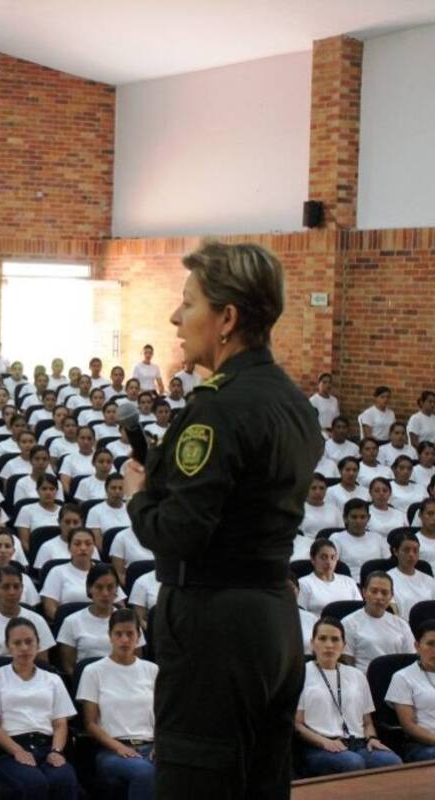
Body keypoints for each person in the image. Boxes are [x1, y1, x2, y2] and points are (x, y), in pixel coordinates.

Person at [122, 242, 323, 798]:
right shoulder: (292, 400)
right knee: (260, 782)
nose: (175, 317)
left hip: (214, 626)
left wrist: (139, 497)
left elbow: (179, 533)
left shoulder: (217, 406)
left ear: (227, 318)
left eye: (189, 302)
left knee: (198, 784)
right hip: (274, 618)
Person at [0, 617, 78, 799]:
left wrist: (56, 751)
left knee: (64, 778)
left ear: (38, 644)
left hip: (47, 746)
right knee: (34, 783)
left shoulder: (53, 679)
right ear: (8, 647)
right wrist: (17, 751)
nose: (24, 648)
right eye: (17, 643)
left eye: (29, 642)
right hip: (9, 749)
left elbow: (60, 723)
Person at [294, 617, 401, 775]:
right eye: (322, 639)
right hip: (318, 746)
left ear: (343, 646)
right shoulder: (301, 674)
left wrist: (372, 738)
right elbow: (297, 724)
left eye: (335, 639)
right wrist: (324, 742)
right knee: (352, 763)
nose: (329, 645)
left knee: (392, 761)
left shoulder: (357, 675)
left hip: (358, 744)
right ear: (312, 644)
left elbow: (367, 722)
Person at [77, 609, 157, 800]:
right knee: (146, 773)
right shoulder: (93, 671)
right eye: (118, 634)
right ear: (110, 636)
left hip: (151, 746)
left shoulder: (152, 669)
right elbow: (90, 724)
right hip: (112, 751)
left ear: (138, 636)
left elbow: (163, 715)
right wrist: (118, 747)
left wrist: (160, 745)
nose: (124, 640)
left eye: (130, 634)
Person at [384, 619, 435, 762]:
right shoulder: (403, 677)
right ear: (417, 646)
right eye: (430, 644)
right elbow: (409, 726)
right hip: (422, 744)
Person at [342, 572, 413, 671]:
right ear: (364, 592)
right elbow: (347, 663)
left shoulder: (402, 625)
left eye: (384, 593)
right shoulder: (348, 623)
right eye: (374, 591)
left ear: (391, 596)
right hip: (363, 677)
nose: (379, 597)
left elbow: (410, 660)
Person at [297, 539, 361, 614]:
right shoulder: (304, 583)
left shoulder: (349, 582)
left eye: (333, 557)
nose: (329, 562)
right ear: (313, 559)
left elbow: (360, 610)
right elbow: (301, 614)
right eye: (324, 557)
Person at [387, 529, 435, 619]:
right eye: (406, 550)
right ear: (395, 551)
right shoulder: (387, 580)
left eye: (415, 551)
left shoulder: (430, 580)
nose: (411, 555)